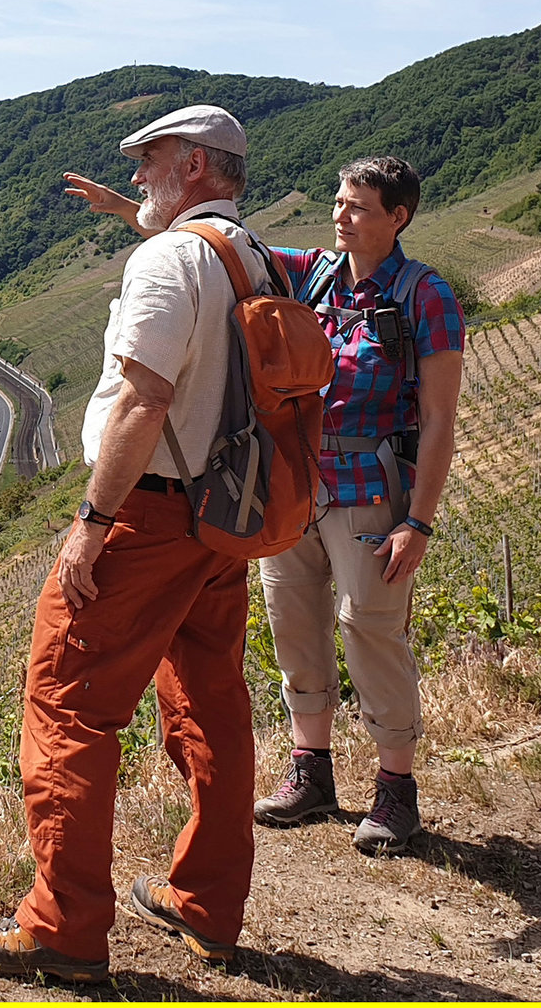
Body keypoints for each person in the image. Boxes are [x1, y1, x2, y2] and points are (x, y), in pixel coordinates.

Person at [0, 103, 278, 985]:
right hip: (222, 518)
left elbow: (141, 401)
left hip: (147, 519)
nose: (135, 174)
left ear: (198, 166)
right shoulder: (249, 251)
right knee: (211, 705)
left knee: (65, 706)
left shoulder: (169, 259)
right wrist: (122, 212)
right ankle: (208, 906)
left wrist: (91, 529)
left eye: (150, 160)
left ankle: (61, 927)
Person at [63, 155, 465, 856]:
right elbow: (213, 248)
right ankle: (311, 773)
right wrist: (129, 212)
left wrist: (417, 521)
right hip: (293, 483)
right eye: (339, 203)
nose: (342, 217)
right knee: (293, 624)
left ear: (397, 218)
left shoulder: (424, 297)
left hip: (372, 486)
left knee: (369, 629)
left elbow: (438, 418)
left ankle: (395, 788)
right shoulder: (309, 273)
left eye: (359, 208)